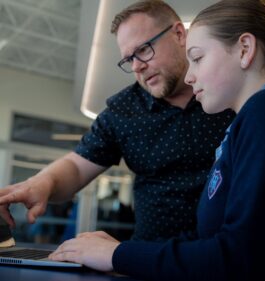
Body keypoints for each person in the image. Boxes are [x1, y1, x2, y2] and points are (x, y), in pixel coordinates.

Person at [48, 1, 265, 280]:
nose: (190, 77)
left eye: (198, 58)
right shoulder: (251, 120)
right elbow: (215, 238)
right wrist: (120, 252)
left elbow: (243, 257)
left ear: (244, 49)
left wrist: (117, 255)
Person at [0, 0, 234, 242]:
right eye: (129, 59)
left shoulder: (229, 88)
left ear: (179, 34)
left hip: (232, 255)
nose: (137, 67)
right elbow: (78, 166)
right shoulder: (123, 112)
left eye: (143, 49)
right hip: (150, 259)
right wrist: (42, 183)